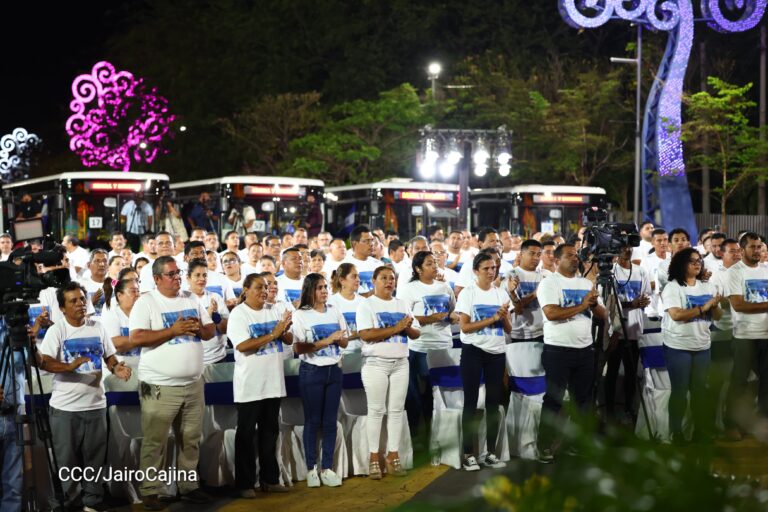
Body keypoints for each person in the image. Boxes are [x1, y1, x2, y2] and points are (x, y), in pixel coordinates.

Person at [128, 256, 216, 509]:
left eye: (179, 273)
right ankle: (150, 491)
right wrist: (172, 331)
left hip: (193, 384)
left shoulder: (191, 298)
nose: (177, 278)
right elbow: (136, 338)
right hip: (158, 385)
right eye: (171, 274)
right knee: (155, 441)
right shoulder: (146, 302)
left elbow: (210, 331)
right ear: (156, 279)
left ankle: (188, 486)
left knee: (190, 438)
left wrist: (199, 328)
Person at [39, 282, 131, 511]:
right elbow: (45, 361)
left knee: (95, 461)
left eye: (82, 299)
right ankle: (68, 504)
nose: (80, 304)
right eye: (73, 301)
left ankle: (92, 503)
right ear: (62, 308)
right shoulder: (57, 330)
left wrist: (116, 368)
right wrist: (69, 366)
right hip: (65, 409)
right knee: (66, 463)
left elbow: (110, 356)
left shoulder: (97, 326)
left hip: (95, 405)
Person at [537, 243, 607, 462]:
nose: (575, 259)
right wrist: (583, 305)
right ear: (557, 261)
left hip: (584, 349)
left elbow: (603, 315)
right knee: (554, 400)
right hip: (558, 349)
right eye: (569, 256)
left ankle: (577, 444)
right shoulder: (549, 283)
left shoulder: (587, 283)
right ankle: (545, 446)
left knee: (582, 402)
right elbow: (551, 313)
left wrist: (593, 305)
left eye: (576, 255)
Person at [227, 274, 293, 497]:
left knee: (270, 433)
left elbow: (289, 340)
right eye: (258, 287)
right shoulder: (239, 314)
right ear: (245, 290)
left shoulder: (273, 309)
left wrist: (284, 328)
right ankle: (245, 484)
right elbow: (244, 346)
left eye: (266, 287)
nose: (264, 291)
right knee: (246, 435)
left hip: (273, 381)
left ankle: (270, 478)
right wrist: (273, 333)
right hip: (250, 385)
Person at [356, 266, 420, 479]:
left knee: (396, 410)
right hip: (376, 363)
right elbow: (366, 334)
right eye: (384, 278)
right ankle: (374, 457)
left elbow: (416, 332)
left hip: (401, 363)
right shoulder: (366, 304)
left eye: (392, 278)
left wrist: (407, 327)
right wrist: (397, 327)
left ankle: (393, 455)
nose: (388, 282)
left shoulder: (401, 303)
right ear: (374, 280)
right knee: (376, 410)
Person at [455, 252, 512, 471]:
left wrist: (504, 318)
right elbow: (465, 327)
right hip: (473, 351)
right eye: (486, 268)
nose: (491, 272)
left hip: (497, 353)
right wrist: (493, 318)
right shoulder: (468, 294)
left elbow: (509, 329)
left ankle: (489, 453)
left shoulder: (500, 293)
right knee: (470, 402)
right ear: (476, 271)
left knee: (493, 403)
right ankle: (469, 453)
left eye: (494, 268)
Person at [292, 273, 348, 487]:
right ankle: (311, 468)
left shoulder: (335, 310)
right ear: (310, 291)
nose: (324, 291)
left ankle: (327, 467)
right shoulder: (301, 315)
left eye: (325, 287)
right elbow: (298, 348)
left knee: (330, 421)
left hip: (334, 371)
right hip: (312, 371)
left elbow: (343, 343)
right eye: (319, 288)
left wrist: (341, 338)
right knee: (313, 421)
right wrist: (326, 341)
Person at [662, 247, 721, 443]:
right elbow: (677, 315)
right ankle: (676, 432)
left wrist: (715, 305)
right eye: (692, 261)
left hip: (702, 346)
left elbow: (718, 317)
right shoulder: (673, 287)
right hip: (678, 346)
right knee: (679, 391)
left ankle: (699, 431)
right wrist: (703, 307)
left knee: (699, 392)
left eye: (699, 260)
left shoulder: (707, 286)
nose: (698, 263)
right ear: (681, 265)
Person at [398, 251, 456, 439]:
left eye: (435, 262)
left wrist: (452, 317)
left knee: (439, 393)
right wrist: (431, 318)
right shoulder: (409, 289)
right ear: (418, 268)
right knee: (420, 394)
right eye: (430, 263)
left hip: (444, 345)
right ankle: (419, 435)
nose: (435, 266)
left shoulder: (445, 287)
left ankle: (438, 433)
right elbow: (405, 320)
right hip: (420, 347)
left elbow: (452, 312)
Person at [725, 232, 768, 439]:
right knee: (739, 382)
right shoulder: (735, 272)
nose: (757, 250)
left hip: (766, 335)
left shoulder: (767, 270)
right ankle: (731, 424)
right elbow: (738, 304)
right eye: (753, 247)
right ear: (742, 250)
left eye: (759, 246)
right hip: (744, 336)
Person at [605, 244, 651, 422]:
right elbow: (607, 303)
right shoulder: (611, 272)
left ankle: (628, 409)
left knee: (631, 374)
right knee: (612, 372)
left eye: (629, 246)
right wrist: (631, 304)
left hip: (634, 330)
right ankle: (609, 411)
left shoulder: (640, 271)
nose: (627, 249)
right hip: (615, 331)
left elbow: (646, 295)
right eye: (623, 246)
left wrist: (642, 302)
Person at [187, 259, 230, 365]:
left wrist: (216, 316)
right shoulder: (184, 300)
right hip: (193, 360)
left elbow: (225, 329)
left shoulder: (215, 297)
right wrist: (208, 314)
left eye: (204, 275)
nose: (202, 279)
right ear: (188, 278)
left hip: (218, 357)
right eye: (197, 275)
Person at [101, 278, 142, 368]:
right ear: (119, 295)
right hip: (120, 367)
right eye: (133, 291)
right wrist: (145, 339)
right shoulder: (111, 308)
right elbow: (113, 344)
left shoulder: (143, 308)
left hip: (144, 366)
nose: (138, 295)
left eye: (138, 291)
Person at [328, 263, 363, 353]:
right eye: (354, 277)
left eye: (358, 276)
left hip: (363, 352)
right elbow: (333, 335)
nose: (358, 280)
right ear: (342, 280)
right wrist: (361, 333)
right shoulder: (331, 302)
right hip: (341, 353)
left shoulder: (363, 301)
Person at [344, 226, 382, 295]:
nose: (371, 244)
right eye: (366, 241)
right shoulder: (345, 265)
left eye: (372, 240)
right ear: (354, 244)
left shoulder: (379, 265)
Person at [81, 249, 109, 316]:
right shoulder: (81, 284)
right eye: (97, 261)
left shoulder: (116, 283)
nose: (102, 264)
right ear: (89, 265)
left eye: (105, 261)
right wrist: (91, 302)